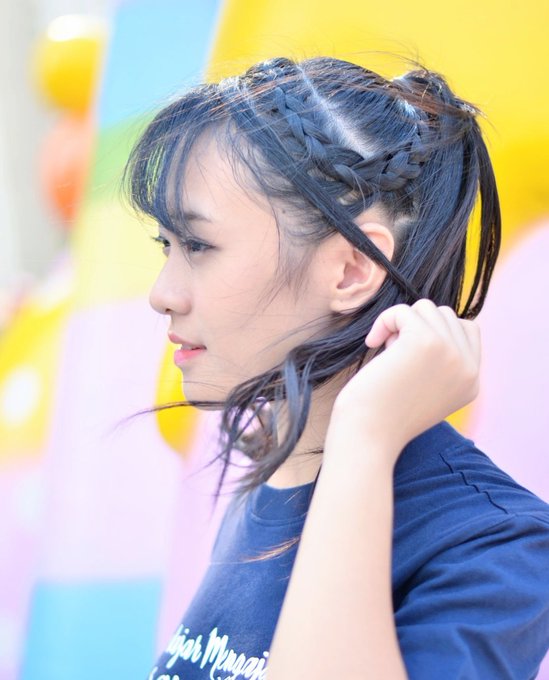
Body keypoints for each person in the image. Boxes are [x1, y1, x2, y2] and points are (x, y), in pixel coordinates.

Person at [122, 56, 549, 679]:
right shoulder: (269, 478)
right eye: (168, 245)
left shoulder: (489, 542)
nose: (162, 294)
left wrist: (366, 438)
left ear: (351, 270)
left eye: (198, 245)